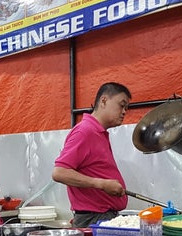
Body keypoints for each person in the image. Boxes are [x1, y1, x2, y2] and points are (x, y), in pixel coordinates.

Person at [52, 82, 132, 228]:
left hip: (101, 217)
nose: (124, 111)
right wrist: (102, 184)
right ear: (104, 101)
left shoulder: (98, 133)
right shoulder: (85, 131)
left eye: (126, 108)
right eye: (121, 105)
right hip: (93, 219)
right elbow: (60, 173)